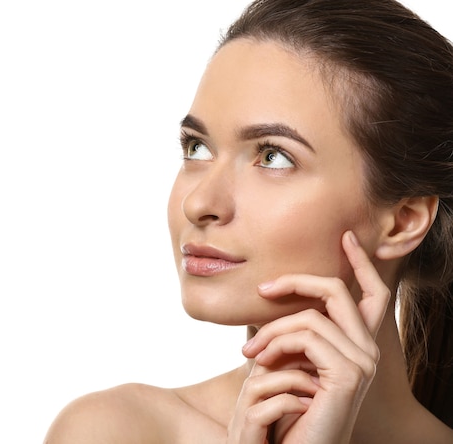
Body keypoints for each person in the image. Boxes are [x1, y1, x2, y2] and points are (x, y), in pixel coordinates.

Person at [44, 0, 453, 442]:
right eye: (197, 148)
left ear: (403, 222)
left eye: (273, 156)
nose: (198, 203)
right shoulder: (116, 431)